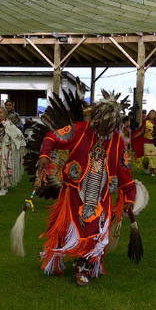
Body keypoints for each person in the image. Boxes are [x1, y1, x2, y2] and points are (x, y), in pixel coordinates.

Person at [36, 96, 136, 287]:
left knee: (95, 232)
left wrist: (130, 197)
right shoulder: (81, 129)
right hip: (74, 192)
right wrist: (44, 155)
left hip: (102, 195)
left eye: (108, 127)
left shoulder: (118, 142)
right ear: (96, 120)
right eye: (101, 126)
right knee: (64, 228)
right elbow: (52, 137)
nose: (104, 131)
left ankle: (84, 268)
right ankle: (54, 260)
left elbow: (124, 171)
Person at [130, 109, 156, 175]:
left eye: (152, 113)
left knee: (154, 156)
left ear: (155, 115)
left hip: (155, 142)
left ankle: (152, 171)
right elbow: (141, 132)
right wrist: (133, 137)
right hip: (146, 142)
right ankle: (146, 167)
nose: (151, 114)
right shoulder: (146, 122)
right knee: (147, 157)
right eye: (150, 113)